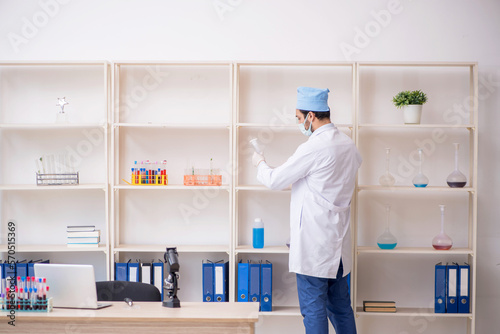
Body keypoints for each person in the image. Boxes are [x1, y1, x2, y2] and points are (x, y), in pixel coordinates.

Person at [252, 86, 361, 334]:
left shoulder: (314, 147)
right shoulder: (348, 145)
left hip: (314, 248)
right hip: (339, 247)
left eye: (300, 119)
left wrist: (259, 162)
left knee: (313, 311)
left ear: (311, 116)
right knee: (341, 309)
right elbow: (326, 183)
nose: (300, 124)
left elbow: (274, 180)